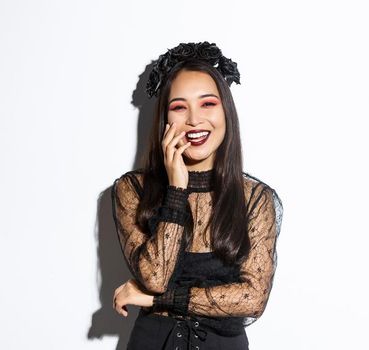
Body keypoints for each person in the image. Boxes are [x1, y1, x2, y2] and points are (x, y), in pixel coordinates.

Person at [109, 42, 283, 350]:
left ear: (226, 111)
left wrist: (158, 300)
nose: (194, 120)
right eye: (179, 107)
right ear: (164, 119)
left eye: (207, 104)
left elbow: (253, 298)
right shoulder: (132, 190)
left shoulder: (255, 199)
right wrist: (177, 189)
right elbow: (156, 276)